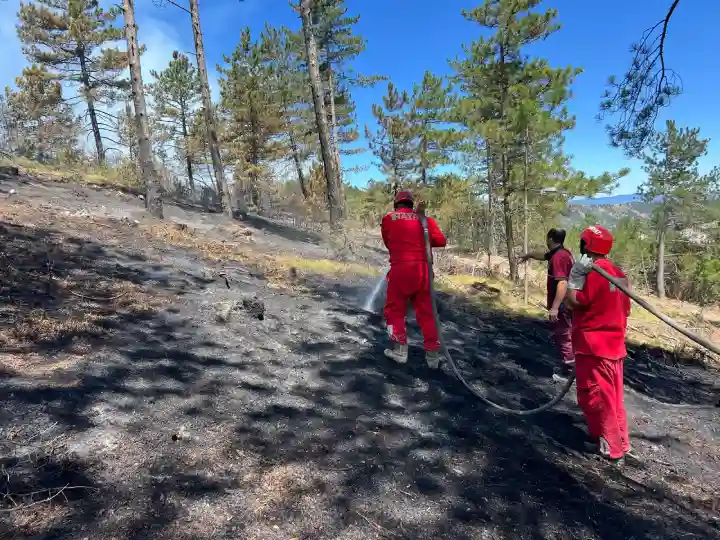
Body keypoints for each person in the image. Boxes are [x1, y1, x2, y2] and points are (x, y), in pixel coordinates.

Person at [564, 225, 632, 465]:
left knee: (595, 399)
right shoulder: (619, 273)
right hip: (614, 347)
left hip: (594, 348)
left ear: (585, 246)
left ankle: (612, 450)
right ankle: (620, 442)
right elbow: (625, 309)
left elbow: (572, 304)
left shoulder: (592, 274)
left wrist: (574, 280)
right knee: (613, 398)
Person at [381, 190, 447, 368]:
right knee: (428, 314)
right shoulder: (426, 221)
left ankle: (400, 351)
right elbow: (441, 241)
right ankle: (433, 358)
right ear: (411, 204)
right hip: (424, 273)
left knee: (394, 311)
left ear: (397, 205)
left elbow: (388, 242)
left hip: (401, 271)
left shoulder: (388, 219)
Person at [519, 228, 575, 377]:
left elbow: (562, 283)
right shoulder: (561, 253)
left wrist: (555, 308)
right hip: (565, 303)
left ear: (550, 239)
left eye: (547, 238)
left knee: (563, 335)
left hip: (563, 304)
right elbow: (543, 256)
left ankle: (569, 372)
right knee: (564, 334)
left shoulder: (559, 258)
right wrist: (529, 255)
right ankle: (571, 367)